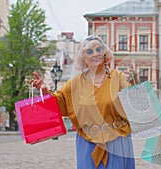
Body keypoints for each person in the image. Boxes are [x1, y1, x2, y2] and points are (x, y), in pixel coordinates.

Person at [30, 35, 138, 169]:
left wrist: (135, 84)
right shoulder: (75, 84)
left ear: (105, 53)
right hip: (88, 143)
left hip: (117, 141)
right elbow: (59, 103)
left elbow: (137, 107)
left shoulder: (119, 78)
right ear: (83, 58)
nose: (96, 54)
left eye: (99, 49)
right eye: (89, 51)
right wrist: (45, 91)